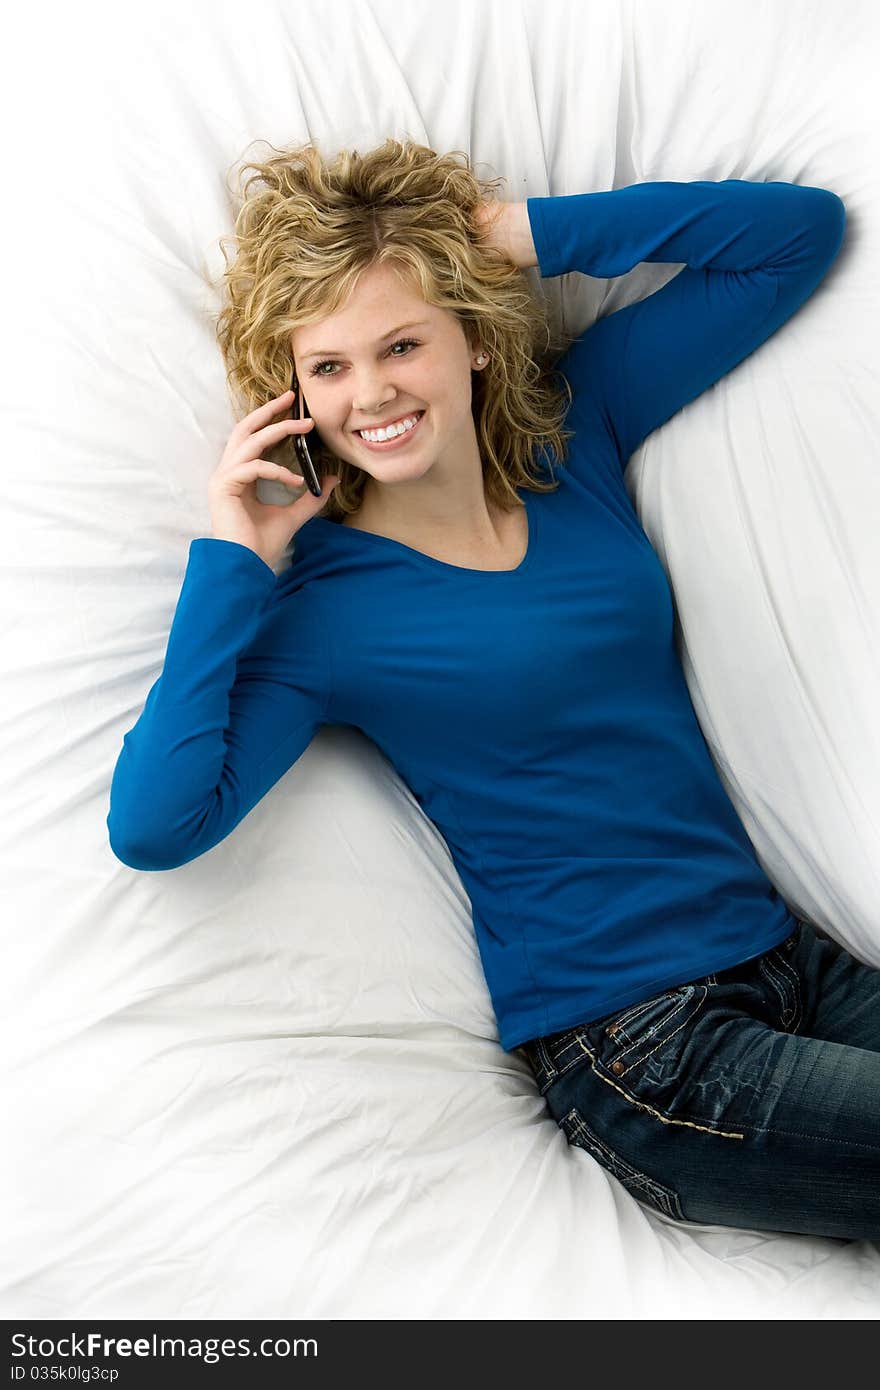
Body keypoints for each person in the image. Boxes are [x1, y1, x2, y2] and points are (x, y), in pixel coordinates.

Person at [106, 138, 880, 1241]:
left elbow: (791, 237)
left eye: (402, 342)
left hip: (781, 956)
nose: (370, 393)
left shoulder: (573, 432)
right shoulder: (320, 606)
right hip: (642, 1055)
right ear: (292, 393)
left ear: (470, 338)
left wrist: (522, 236)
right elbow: (154, 824)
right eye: (327, 367)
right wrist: (236, 555)